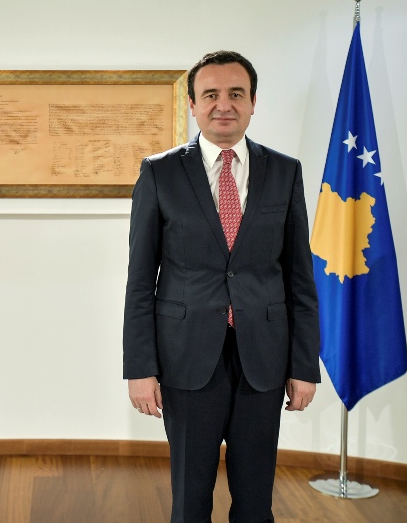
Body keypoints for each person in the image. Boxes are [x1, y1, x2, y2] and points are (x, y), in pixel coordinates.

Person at [123, 51, 320, 522]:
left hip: (264, 360)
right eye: (210, 94)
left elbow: (300, 279)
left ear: (253, 103)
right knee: (190, 499)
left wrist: (304, 364)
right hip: (186, 358)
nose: (223, 105)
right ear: (192, 104)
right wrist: (139, 368)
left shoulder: (285, 171)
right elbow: (140, 281)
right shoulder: (159, 173)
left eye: (236, 93)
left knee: (255, 502)